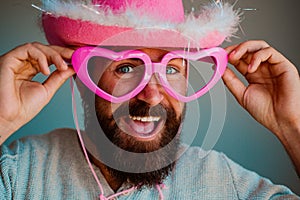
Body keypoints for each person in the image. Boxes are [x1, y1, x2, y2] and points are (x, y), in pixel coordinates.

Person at [1, 0, 300, 199]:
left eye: (170, 68)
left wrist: (292, 125)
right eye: (126, 68)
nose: (153, 94)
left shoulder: (223, 182)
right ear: (81, 78)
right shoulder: (20, 173)